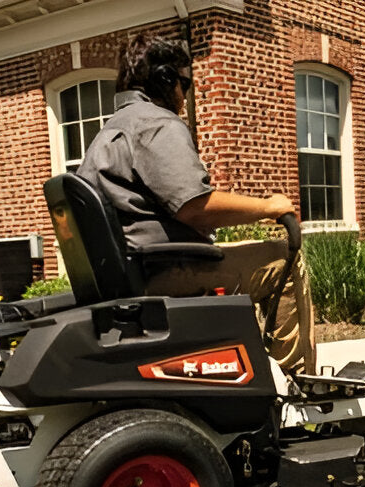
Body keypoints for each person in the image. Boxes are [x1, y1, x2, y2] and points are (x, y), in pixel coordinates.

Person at [76, 33, 315, 374]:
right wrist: (269, 207)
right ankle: (297, 381)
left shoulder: (110, 131)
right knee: (283, 260)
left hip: (130, 273)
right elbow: (195, 208)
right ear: (165, 80)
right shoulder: (156, 122)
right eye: (185, 84)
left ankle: (254, 369)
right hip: (163, 271)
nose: (186, 94)